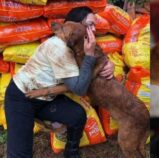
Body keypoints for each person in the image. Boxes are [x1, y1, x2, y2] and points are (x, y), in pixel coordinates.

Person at [4, 7, 114, 158]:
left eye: (94, 25)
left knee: (77, 115)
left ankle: (71, 151)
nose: (94, 29)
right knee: (20, 154)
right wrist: (89, 57)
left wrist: (109, 64)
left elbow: (100, 57)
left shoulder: (77, 41)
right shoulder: (59, 48)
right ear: (74, 25)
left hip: (45, 99)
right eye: (89, 24)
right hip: (22, 98)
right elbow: (79, 89)